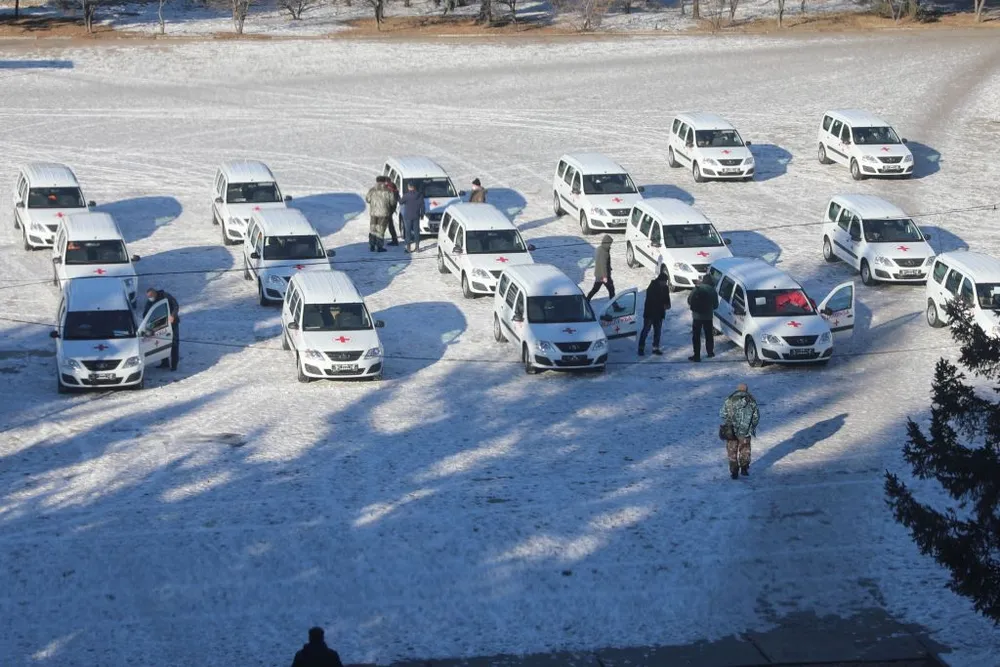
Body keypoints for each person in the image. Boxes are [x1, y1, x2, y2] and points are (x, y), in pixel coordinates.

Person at [719, 383, 760, 479]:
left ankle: (734, 471)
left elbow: (722, 413)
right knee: (745, 449)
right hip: (745, 431)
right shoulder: (751, 401)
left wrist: (729, 420)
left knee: (732, 451)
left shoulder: (729, 400)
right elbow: (756, 417)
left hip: (731, 431)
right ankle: (744, 468)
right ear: (746, 390)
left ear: (737, 390)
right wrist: (751, 426)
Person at [143, 287, 180, 371]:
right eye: (148, 296)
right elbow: (146, 312)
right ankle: (164, 363)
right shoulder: (150, 301)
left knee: (174, 344)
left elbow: (176, 306)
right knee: (162, 343)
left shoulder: (165, 296)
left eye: (151, 296)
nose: (150, 298)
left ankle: (174, 365)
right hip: (159, 324)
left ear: (155, 293)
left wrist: (173, 315)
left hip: (172, 323)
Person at [638, 271, 671, 356]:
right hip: (650, 313)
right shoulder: (652, 287)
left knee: (658, 331)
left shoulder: (665, 288)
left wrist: (668, 305)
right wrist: (663, 305)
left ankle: (655, 348)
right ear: (660, 280)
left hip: (659, 314)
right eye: (664, 281)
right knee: (645, 330)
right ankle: (641, 348)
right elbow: (652, 301)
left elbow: (667, 298)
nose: (665, 283)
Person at [687, 274, 718, 362]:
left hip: (697, 317)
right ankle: (710, 352)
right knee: (709, 335)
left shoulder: (697, 288)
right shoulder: (712, 291)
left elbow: (689, 300)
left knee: (696, 336)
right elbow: (716, 305)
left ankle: (697, 355)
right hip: (708, 317)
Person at [365, 176, 395, 253]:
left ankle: (372, 245)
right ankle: (379, 247)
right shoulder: (388, 191)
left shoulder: (372, 190)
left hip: (374, 213)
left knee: (373, 229)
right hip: (384, 213)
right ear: (384, 181)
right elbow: (392, 202)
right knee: (380, 230)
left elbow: (367, 199)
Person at [585, 235, 615, 301]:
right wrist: (605, 277)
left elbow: (600, 262)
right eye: (610, 243)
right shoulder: (604, 252)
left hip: (599, 274)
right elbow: (603, 265)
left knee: (595, 289)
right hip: (604, 275)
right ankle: (614, 306)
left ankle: (587, 300)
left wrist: (609, 267)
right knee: (611, 290)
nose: (610, 245)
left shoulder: (599, 249)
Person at [399, 181, 426, 253]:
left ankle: (408, 248)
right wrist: (422, 214)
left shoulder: (406, 195)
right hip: (416, 216)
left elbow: (401, 202)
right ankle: (417, 248)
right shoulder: (420, 195)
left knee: (408, 232)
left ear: (409, 187)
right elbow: (422, 206)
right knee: (417, 232)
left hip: (408, 216)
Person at [384, 178, 400, 246]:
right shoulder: (393, 187)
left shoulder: (390, 188)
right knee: (390, 225)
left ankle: (394, 240)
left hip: (388, 210)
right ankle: (394, 240)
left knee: (389, 225)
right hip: (391, 209)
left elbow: (391, 200)